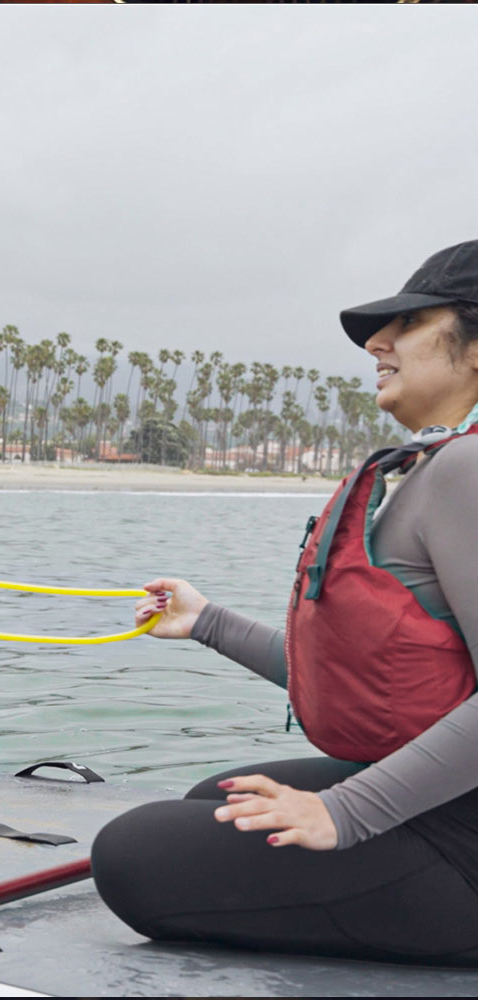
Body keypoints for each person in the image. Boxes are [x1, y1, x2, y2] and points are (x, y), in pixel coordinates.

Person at [92, 239, 478, 965]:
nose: (378, 342)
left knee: (130, 853)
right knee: (217, 797)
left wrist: (343, 813)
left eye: (411, 322)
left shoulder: (467, 470)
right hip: (458, 801)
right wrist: (207, 623)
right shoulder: (440, 465)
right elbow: (382, 679)